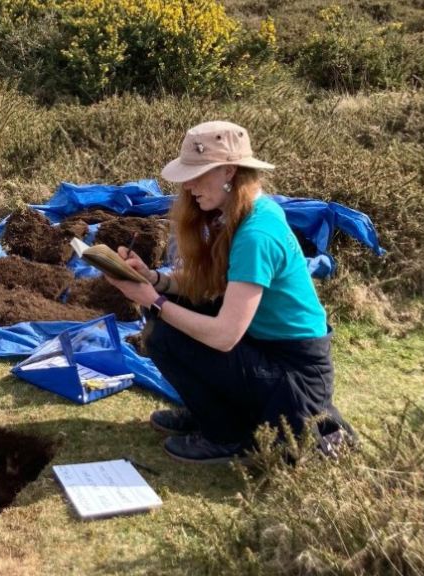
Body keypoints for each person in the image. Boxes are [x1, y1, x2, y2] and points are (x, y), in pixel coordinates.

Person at [104, 120, 353, 464]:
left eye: (198, 174)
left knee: (166, 331)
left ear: (230, 171)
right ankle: (208, 413)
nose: (189, 185)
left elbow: (223, 336)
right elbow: (208, 286)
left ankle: (226, 435)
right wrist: (155, 280)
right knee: (171, 313)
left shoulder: (256, 233)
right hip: (266, 350)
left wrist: (154, 300)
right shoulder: (239, 214)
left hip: (294, 376)